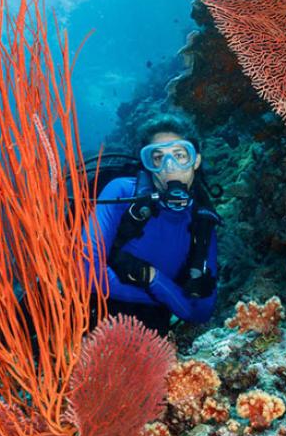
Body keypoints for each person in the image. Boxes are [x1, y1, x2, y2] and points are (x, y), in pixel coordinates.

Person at [86, 114, 220, 336]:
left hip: (149, 339)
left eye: (179, 155)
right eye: (157, 158)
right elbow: (84, 271)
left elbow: (202, 312)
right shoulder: (122, 193)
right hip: (84, 311)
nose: (170, 167)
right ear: (148, 164)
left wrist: (152, 278)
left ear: (195, 161)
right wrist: (166, 296)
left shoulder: (202, 222)